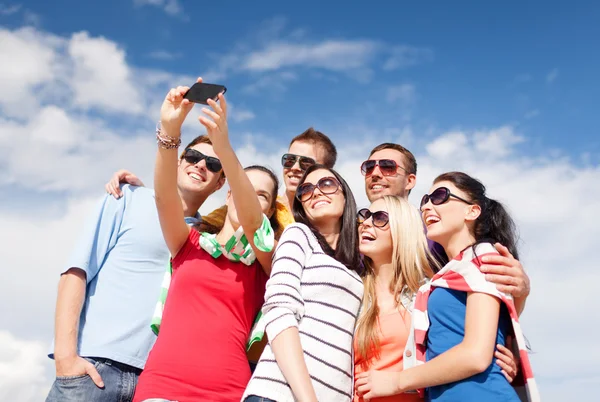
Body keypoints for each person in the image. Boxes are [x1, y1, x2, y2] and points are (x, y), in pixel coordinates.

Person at [45, 135, 225, 401]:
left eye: (212, 163)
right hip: (93, 369)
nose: (200, 165)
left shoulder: (212, 240)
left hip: (156, 385)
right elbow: (76, 272)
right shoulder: (126, 197)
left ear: (221, 182)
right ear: (177, 162)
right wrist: (65, 357)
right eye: (193, 157)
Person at [132, 80, 280, 402]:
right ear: (227, 194)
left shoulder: (268, 263)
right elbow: (164, 197)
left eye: (260, 196)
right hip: (162, 387)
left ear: (268, 211)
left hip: (228, 391)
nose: (248, 200)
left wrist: (224, 148)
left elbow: (253, 223)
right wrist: (170, 132)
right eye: (242, 189)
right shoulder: (189, 243)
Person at [355, 172, 539, 402]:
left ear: (472, 211)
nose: (427, 206)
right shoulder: (441, 280)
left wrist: (396, 381)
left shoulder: (482, 256)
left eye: (440, 196)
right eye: (425, 200)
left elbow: (476, 355)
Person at [360, 143, 530, 314]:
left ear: (410, 181)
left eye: (387, 167)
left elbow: (488, 292)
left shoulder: (437, 228)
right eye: (368, 167)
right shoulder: (356, 234)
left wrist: (519, 293)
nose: (375, 173)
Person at [242, 164, 363, 402]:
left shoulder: (359, 267)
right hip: (280, 394)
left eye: (326, 184)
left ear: (345, 195)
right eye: (305, 190)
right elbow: (279, 311)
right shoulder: (298, 235)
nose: (316, 192)